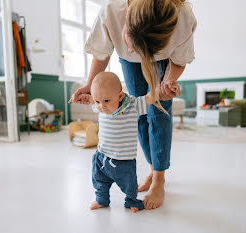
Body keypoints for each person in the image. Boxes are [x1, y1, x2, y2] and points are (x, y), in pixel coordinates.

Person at [69, 0, 197, 210]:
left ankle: (159, 179)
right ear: (127, 16)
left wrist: (167, 82)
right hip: (129, 63)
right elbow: (101, 53)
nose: (130, 48)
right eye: (129, 41)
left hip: (163, 60)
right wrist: (90, 86)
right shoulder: (112, 10)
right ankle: (152, 168)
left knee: (159, 112)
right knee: (135, 113)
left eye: (135, 46)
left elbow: (180, 60)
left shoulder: (181, 17)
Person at [73, 71, 179, 213]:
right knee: (99, 182)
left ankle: (131, 200)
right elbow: (92, 100)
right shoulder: (100, 106)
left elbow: (149, 98)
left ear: (120, 96)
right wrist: (84, 97)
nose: (101, 106)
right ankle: (101, 199)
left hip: (124, 161)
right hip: (101, 157)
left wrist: (162, 90)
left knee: (130, 185)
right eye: (98, 102)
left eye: (106, 101)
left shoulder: (132, 106)